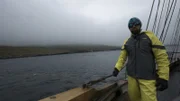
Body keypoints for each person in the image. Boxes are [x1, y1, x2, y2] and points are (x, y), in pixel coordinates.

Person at [112, 17, 170, 101]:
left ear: (140, 25)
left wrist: (164, 77)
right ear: (129, 28)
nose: (134, 26)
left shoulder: (150, 37)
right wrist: (117, 68)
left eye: (136, 24)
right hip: (131, 78)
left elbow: (161, 57)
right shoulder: (127, 42)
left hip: (147, 78)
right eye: (131, 25)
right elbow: (122, 57)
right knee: (134, 98)